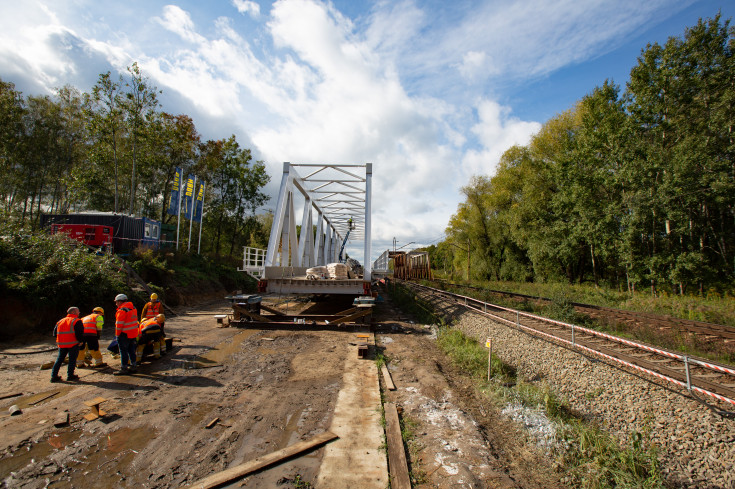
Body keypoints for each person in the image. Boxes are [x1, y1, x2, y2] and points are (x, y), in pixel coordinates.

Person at [50, 307, 84, 383]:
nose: (79, 313)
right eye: (78, 311)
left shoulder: (60, 321)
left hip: (61, 344)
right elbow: (79, 333)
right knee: (72, 360)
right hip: (73, 343)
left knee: (59, 360)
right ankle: (70, 375)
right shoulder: (76, 321)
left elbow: (55, 333)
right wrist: (80, 341)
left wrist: (62, 339)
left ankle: (54, 376)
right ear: (74, 312)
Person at [113, 293, 139, 375]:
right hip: (133, 333)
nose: (116, 304)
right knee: (132, 350)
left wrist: (117, 335)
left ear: (120, 302)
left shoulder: (122, 311)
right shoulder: (133, 309)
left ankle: (124, 368)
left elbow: (119, 325)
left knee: (123, 351)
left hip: (124, 334)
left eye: (116, 302)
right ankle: (133, 366)